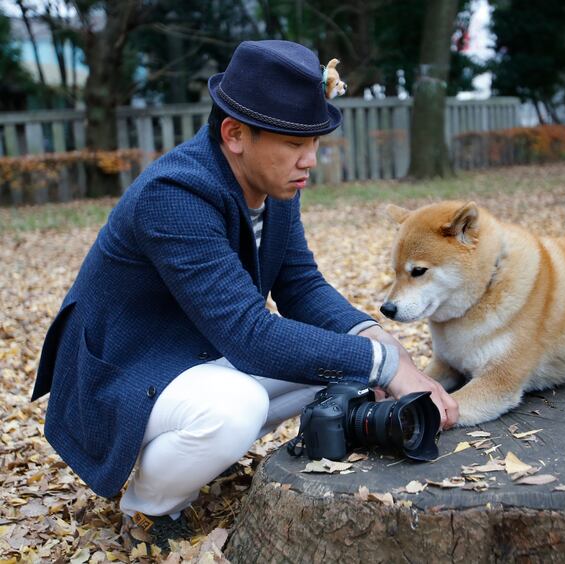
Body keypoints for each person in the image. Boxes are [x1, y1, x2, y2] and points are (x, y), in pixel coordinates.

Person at [31, 40, 459, 551]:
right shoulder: (174, 194)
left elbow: (301, 288)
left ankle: (189, 454)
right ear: (235, 134)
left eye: (316, 142)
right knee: (237, 407)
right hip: (121, 371)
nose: (311, 160)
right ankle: (149, 507)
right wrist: (383, 364)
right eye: (294, 143)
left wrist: (379, 341)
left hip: (193, 352)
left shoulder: (272, 183)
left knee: (342, 364)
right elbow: (250, 337)